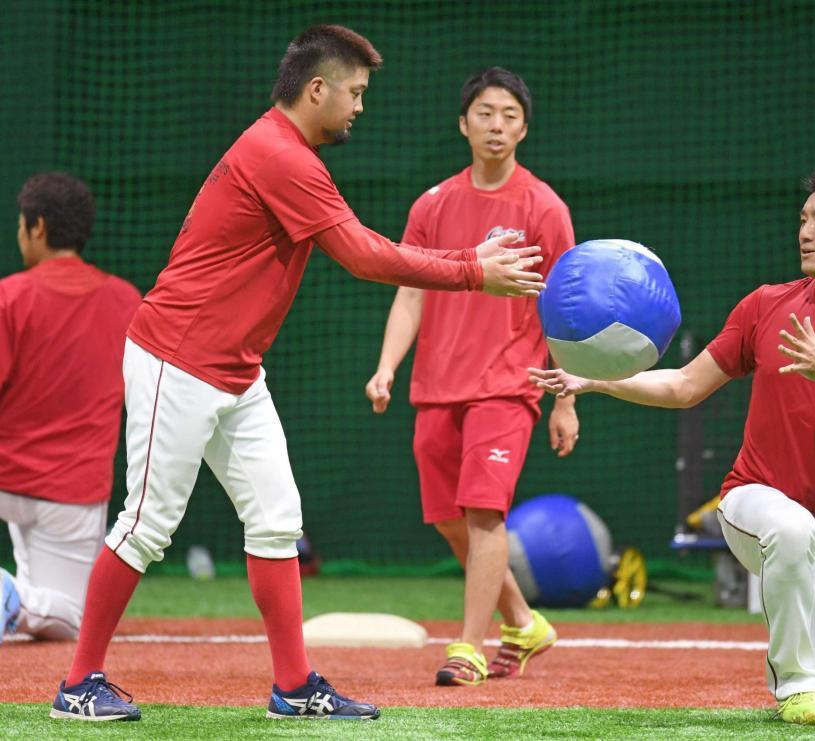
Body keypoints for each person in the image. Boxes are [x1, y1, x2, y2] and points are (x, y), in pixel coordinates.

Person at [50, 25, 545, 723]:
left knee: (277, 521)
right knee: (145, 524)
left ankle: (294, 685)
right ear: (319, 90)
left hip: (235, 370)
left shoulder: (287, 151)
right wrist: (473, 270)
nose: (360, 108)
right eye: (356, 93)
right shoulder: (280, 157)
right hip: (178, 357)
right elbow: (366, 255)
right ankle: (78, 684)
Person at [530, 164, 815, 725]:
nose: (805, 232)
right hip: (753, 500)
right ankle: (792, 683)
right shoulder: (767, 305)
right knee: (789, 532)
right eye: (802, 219)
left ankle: (812, 686)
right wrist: (594, 381)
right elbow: (684, 385)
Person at [365, 67, 577, 687]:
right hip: (435, 386)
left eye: (509, 115)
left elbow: (561, 308)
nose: (496, 125)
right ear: (463, 123)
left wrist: (565, 400)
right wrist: (386, 367)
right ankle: (524, 622)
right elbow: (410, 292)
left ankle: (469, 647)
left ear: (524, 128)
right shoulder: (432, 205)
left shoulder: (544, 208)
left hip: (510, 383)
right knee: (445, 516)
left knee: (485, 512)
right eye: (485, 112)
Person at [0, 173, 140, 644]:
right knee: (73, 621)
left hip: (5, 477)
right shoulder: (126, 301)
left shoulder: (9, 297)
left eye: (21, 225)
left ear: (37, 227)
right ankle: (11, 597)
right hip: (72, 491)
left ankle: (11, 597)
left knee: (35, 615)